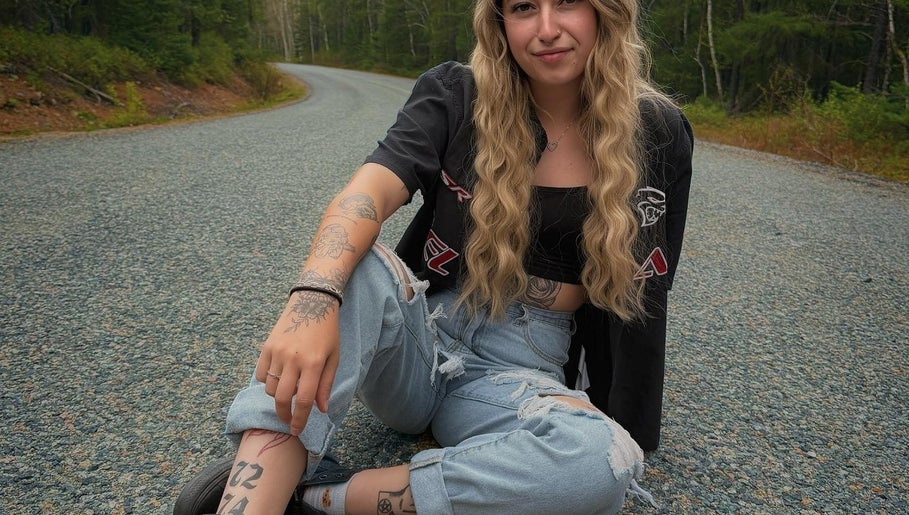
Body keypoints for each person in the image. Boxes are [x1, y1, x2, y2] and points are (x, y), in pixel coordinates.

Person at [175, 0, 693, 513]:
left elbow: (648, 287)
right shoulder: (456, 94)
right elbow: (369, 192)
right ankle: (247, 504)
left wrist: (628, 418)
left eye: (567, 3)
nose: (547, 28)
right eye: (523, 7)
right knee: (355, 265)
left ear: (605, 12)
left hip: (516, 372)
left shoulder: (658, 131)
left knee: (597, 461)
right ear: (499, 22)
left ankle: (318, 496)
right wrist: (311, 298)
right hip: (419, 335)